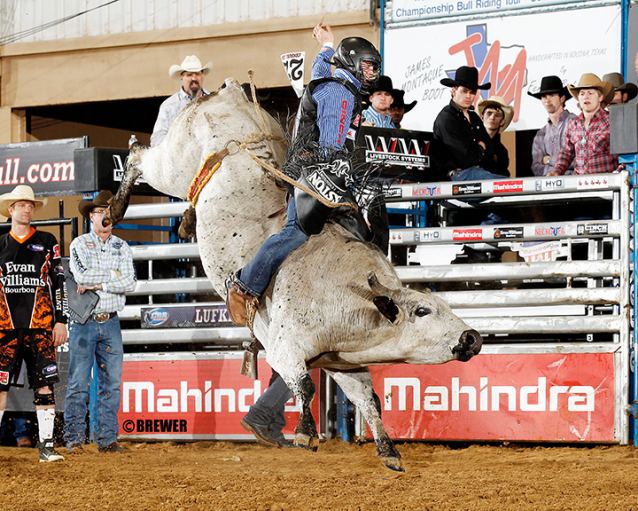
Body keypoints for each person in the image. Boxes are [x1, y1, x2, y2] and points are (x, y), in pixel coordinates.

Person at [225, 35, 381, 327]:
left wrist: (325, 46)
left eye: (375, 67)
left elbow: (318, 72)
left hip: (308, 171)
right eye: (369, 66)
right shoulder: (342, 94)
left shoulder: (330, 83)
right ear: (353, 62)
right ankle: (244, 285)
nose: (373, 73)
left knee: (357, 231)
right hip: (317, 176)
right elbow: (332, 146)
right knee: (297, 232)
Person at [64, 190, 136, 454]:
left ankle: (106, 439)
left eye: (109, 212)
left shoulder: (122, 246)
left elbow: (130, 283)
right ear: (92, 216)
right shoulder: (80, 244)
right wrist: (112, 277)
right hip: (86, 320)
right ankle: (74, 439)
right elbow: (82, 277)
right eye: (101, 212)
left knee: (111, 383)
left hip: (110, 321)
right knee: (79, 382)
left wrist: (99, 282)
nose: (106, 216)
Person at [0, 185, 68, 462]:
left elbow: (59, 284)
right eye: (22, 204)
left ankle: (47, 447)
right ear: (11, 209)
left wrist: (61, 320)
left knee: (45, 386)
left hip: (41, 327)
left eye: (30, 205)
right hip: (4, 329)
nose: (27, 209)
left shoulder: (47, 240)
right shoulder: (0, 243)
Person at [433, 66, 503, 182]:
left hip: (477, 173)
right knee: (506, 185)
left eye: (472, 92)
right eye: (464, 91)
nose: (468, 96)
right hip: (455, 176)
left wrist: (480, 150)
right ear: (454, 91)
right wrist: (480, 147)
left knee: (507, 184)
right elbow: (466, 158)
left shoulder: (474, 117)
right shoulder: (447, 118)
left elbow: (489, 149)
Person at [548, 73, 616, 176]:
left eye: (590, 93)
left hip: (606, 184)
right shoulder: (573, 124)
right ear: (578, 98)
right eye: (582, 94)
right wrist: (557, 171)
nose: (586, 97)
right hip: (580, 185)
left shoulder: (611, 121)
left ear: (600, 97)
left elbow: (621, 156)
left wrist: (619, 175)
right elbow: (566, 152)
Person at [150, 55, 212, 147]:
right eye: (189, 74)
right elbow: (157, 139)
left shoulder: (213, 101)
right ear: (182, 77)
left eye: (197, 74)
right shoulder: (169, 106)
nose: (194, 78)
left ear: (202, 76)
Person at [529, 75, 577, 176]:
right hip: (549, 186)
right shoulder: (541, 134)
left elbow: (580, 159)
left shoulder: (575, 122)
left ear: (562, 98)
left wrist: (549, 160)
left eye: (551, 95)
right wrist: (552, 174)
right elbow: (536, 167)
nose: (547, 100)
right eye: (543, 96)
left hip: (573, 182)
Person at [477, 95, 514, 177]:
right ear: (482, 117)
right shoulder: (470, 140)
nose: (492, 117)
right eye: (489, 113)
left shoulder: (502, 151)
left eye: (497, 115)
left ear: (502, 122)